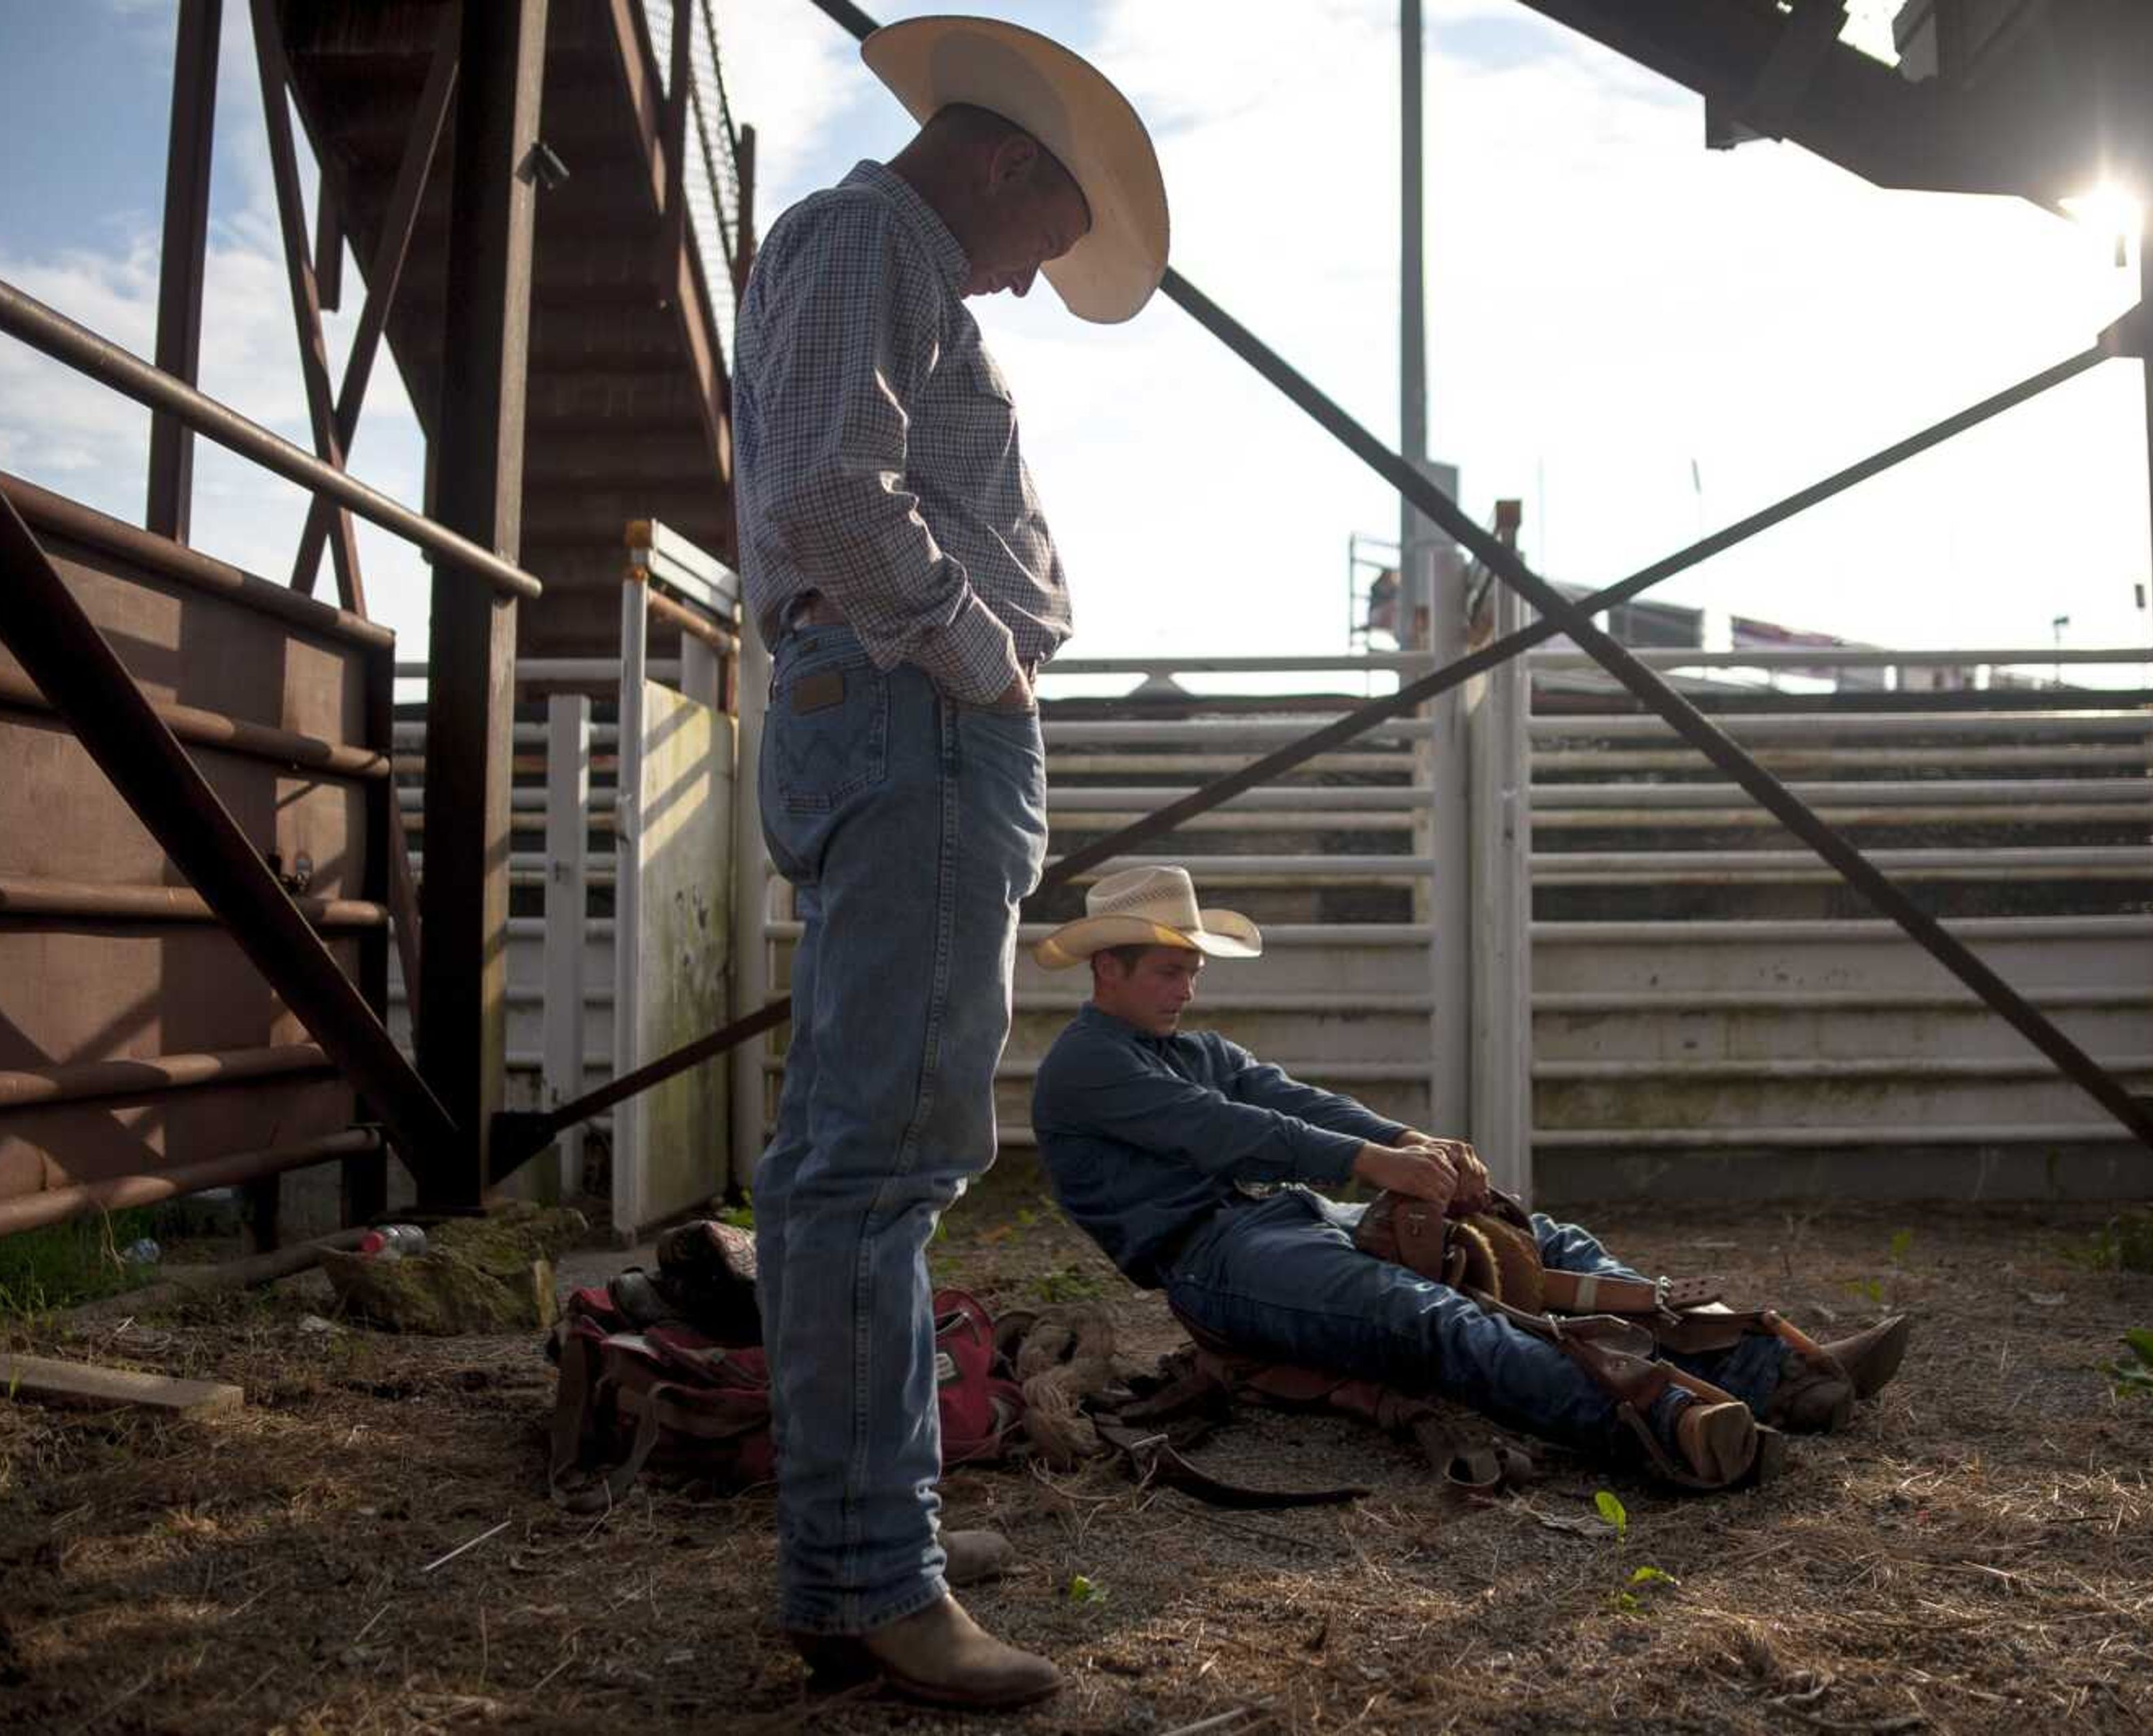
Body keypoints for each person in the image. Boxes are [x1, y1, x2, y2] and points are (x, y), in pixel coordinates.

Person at [729, 14, 1167, 1712]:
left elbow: (835, 489)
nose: (1028, 282)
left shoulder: (872, 251)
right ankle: (862, 1576)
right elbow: (838, 496)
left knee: (871, 1144)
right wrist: (981, 662)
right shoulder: (868, 240)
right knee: (880, 1157)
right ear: (1003, 164)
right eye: (1044, 241)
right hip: (915, 711)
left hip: (903, 709)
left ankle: (871, 1527)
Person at [1030, 866, 1912, 1490]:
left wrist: (1420, 1142)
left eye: (1191, 967)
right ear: (1108, 968)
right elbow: (1229, 1130)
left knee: (1527, 1236)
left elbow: (1291, 1098)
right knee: (1425, 1315)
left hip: (1288, 1221)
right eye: (1169, 969)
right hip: (1212, 1261)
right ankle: (1663, 1419)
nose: (1186, 985)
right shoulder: (1087, 1067)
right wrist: (1379, 1163)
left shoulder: (1193, 1048)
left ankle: (1774, 1371)